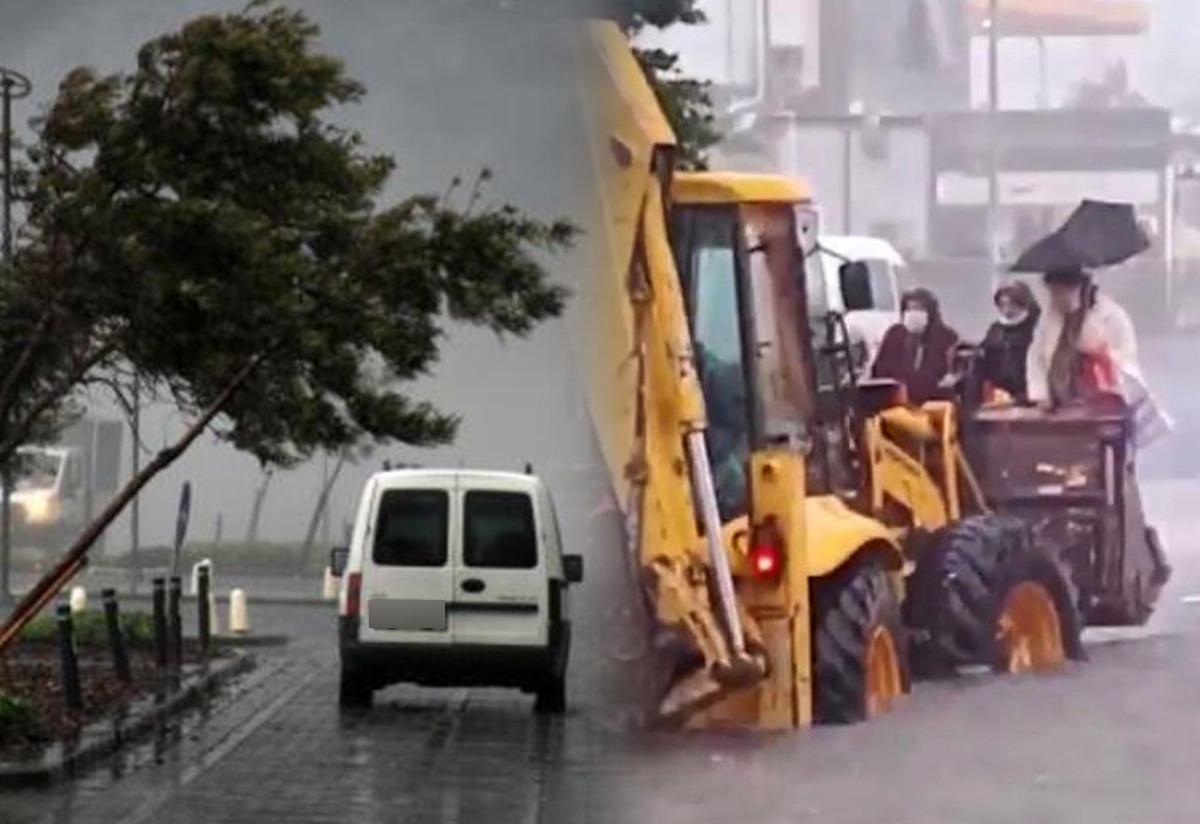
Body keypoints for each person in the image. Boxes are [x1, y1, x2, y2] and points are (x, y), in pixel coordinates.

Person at [1026, 268, 1138, 410]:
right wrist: (1040, 394)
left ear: (1077, 287)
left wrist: (1096, 350)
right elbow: (1036, 356)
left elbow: (1127, 357)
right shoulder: (1049, 316)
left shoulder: (1110, 314)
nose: (1056, 298)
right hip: (1058, 401)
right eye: (1052, 291)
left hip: (1102, 400)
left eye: (1060, 291)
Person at [872, 288, 959, 404]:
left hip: (934, 403)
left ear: (931, 313)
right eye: (909, 309)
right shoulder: (894, 335)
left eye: (919, 309)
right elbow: (879, 372)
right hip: (896, 403)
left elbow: (949, 374)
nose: (913, 314)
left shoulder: (947, 337)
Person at [980, 281, 1040, 402]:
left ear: (1021, 304)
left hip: (1026, 387)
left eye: (1011, 304)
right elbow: (986, 352)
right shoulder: (996, 328)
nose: (1006, 309)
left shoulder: (1034, 326)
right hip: (1000, 391)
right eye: (1002, 305)